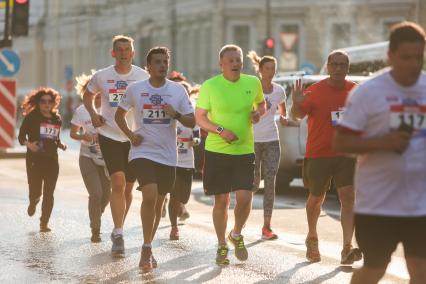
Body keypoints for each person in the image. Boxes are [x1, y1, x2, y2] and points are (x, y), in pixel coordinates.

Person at [333, 22, 426, 284]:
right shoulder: (369, 92)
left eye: (418, 57)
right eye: (406, 57)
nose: (413, 64)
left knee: (421, 270)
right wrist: (381, 143)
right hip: (379, 204)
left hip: (420, 204)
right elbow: (340, 142)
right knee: (374, 270)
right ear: (390, 56)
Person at [115, 47, 195, 270]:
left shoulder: (178, 91)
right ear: (148, 66)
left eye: (165, 62)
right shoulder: (135, 89)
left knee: (159, 201)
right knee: (149, 194)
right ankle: (146, 248)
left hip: (168, 155)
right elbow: (119, 114)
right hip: (142, 151)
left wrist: (176, 115)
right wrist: (131, 136)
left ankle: (147, 247)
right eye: (157, 62)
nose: (162, 65)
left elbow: (191, 121)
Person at [195, 44, 265, 265]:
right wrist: (220, 130)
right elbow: (200, 117)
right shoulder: (210, 86)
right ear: (221, 64)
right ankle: (221, 245)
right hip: (217, 151)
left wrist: (257, 114)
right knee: (222, 201)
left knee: (245, 197)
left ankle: (235, 234)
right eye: (231, 60)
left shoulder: (253, 83)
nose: (235, 63)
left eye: (238, 60)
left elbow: (261, 105)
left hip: (244, 150)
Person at [290, 50, 362, 264]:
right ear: (328, 66)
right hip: (319, 153)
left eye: (343, 64)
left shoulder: (356, 92)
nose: (338, 68)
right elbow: (296, 116)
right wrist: (296, 103)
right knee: (316, 198)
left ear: (348, 67)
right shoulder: (315, 91)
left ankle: (347, 247)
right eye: (335, 64)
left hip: (346, 155)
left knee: (348, 198)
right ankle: (312, 237)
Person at [83, 35, 149, 257]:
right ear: (113, 53)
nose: (123, 53)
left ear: (132, 53)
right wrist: (93, 114)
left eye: (127, 49)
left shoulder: (142, 76)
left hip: (135, 138)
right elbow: (88, 94)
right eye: (119, 49)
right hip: (109, 134)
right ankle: (119, 233)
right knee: (118, 182)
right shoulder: (102, 76)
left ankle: (116, 225)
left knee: (129, 188)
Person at [247, 51, 287, 240]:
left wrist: (286, 119)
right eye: (267, 69)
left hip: (272, 140)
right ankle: (241, 218)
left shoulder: (279, 91)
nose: (270, 72)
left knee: (270, 182)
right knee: (253, 183)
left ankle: (266, 226)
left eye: (273, 69)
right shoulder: (251, 88)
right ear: (260, 70)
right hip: (252, 141)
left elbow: (283, 112)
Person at [18, 87, 67, 232]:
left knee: (49, 192)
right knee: (35, 191)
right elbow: (21, 137)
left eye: (49, 101)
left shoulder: (56, 118)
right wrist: (29, 145)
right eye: (43, 101)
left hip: (52, 160)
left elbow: (55, 138)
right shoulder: (31, 117)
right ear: (38, 103)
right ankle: (33, 201)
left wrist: (60, 144)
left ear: (54, 103)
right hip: (35, 160)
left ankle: (44, 223)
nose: (46, 104)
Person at [70, 72, 111, 243]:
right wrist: (83, 136)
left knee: (106, 196)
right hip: (87, 156)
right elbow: (73, 133)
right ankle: (96, 229)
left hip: (108, 159)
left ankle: (96, 214)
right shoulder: (81, 110)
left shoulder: (111, 109)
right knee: (96, 193)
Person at [168, 79, 201, 240]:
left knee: (184, 197)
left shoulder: (192, 115)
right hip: (172, 161)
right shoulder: (169, 112)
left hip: (188, 161)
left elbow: (198, 137)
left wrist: (194, 142)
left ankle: (180, 208)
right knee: (174, 197)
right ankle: (174, 227)